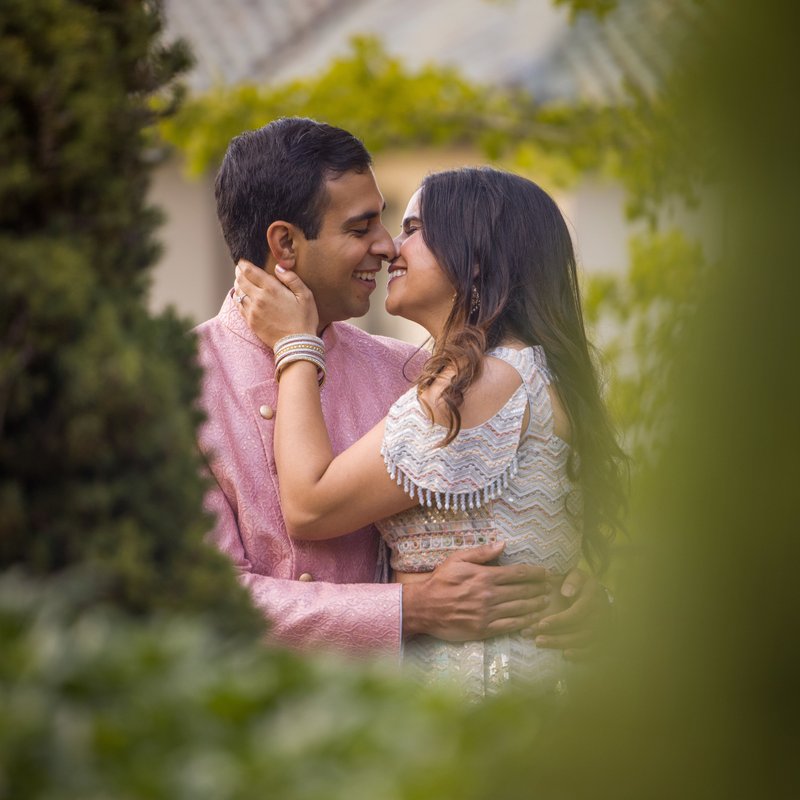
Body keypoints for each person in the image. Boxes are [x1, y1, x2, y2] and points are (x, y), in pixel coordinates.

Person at [196, 117, 610, 661]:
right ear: (285, 243)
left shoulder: (419, 373)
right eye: (360, 227)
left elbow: (530, 504)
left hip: (412, 718)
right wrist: (406, 611)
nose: (387, 246)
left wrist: (583, 591)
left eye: (398, 226)